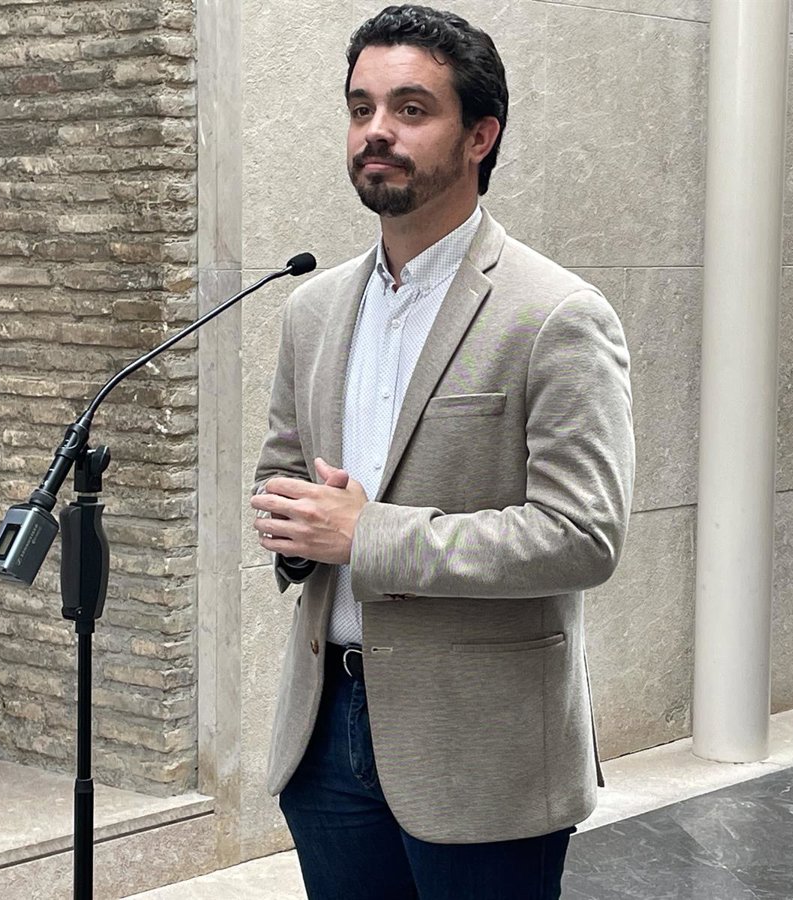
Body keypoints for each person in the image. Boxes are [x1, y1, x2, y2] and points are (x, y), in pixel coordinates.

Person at [249, 6, 634, 898]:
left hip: (484, 745)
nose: (376, 130)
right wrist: (291, 523)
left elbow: (583, 536)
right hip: (325, 732)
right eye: (361, 108)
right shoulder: (312, 309)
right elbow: (280, 474)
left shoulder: (556, 314)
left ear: (480, 135)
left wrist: (366, 534)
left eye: (411, 108)